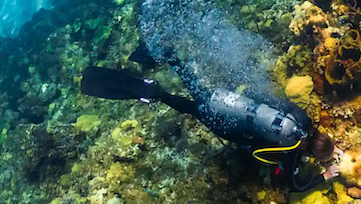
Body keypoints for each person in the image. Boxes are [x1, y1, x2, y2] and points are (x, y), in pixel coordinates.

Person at [79, 46, 338, 191]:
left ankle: (171, 57)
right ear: (313, 154)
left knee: (198, 89)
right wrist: (323, 177)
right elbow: (292, 185)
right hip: (225, 124)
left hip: (230, 101)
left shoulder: (302, 117)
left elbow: (272, 99)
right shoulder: (291, 150)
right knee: (191, 107)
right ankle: (156, 93)